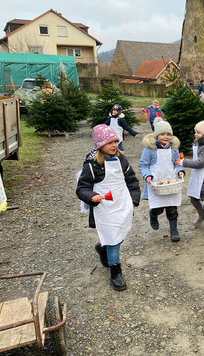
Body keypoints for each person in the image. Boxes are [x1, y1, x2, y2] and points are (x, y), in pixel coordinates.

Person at [76, 125, 140, 291]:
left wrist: (133, 200)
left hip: (121, 206)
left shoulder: (122, 160)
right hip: (104, 210)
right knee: (114, 241)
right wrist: (91, 197)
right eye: (110, 142)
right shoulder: (91, 166)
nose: (114, 145)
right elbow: (82, 188)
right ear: (99, 145)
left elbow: (132, 181)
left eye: (116, 141)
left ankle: (103, 249)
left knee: (118, 236)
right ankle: (116, 272)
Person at [139, 118, 185, 242]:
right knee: (158, 207)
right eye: (163, 134)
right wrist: (147, 175)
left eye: (168, 134)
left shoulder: (174, 148)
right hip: (156, 183)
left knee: (172, 207)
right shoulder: (150, 149)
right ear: (157, 135)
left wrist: (180, 170)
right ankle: (153, 214)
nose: (166, 137)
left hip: (171, 182)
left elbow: (177, 164)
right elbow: (143, 165)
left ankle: (173, 229)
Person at [176, 117, 204, 233]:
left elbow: (200, 163)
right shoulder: (199, 143)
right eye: (195, 132)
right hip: (198, 176)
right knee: (193, 199)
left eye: (199, 133)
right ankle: (202, 214)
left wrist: (183, 162)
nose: (196, 134)